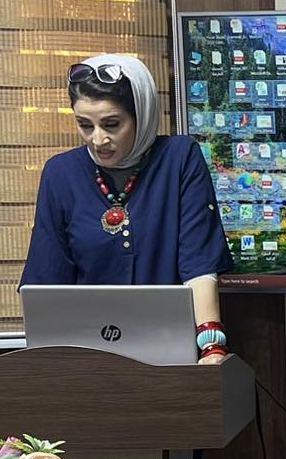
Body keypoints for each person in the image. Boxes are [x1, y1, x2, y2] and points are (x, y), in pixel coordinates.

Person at [22, 54, 232, 363]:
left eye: (112, 124)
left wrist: (212, 346)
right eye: (85, 125)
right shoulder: (60, 173)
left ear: (141, 114)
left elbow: (199, 266)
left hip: (168, 354)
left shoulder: (178, 159)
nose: (98, 139)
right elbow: (45, 285)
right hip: (86, 360)